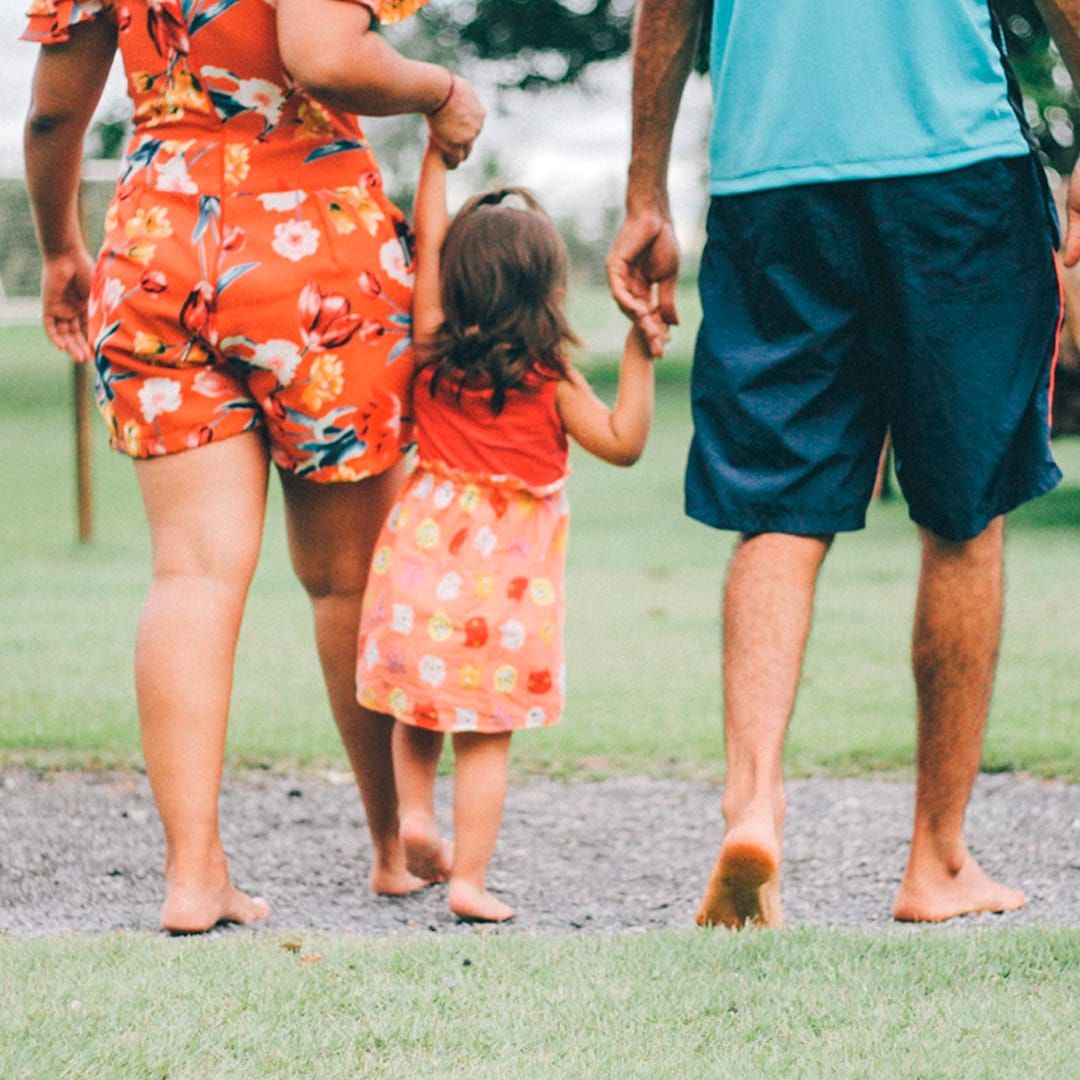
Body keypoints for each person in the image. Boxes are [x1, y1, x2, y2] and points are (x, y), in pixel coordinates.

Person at [608, 0, 1077, 928]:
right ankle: (936, 861)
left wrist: (645, 192)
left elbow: (669, 6)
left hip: (770, 175)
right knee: (963, 514)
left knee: (779, 510)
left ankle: (752, 804)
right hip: (958, 171)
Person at [21, 0, 483, 933]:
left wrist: (60, 244)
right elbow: (323, 55)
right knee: (345, 580)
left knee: (189, 573)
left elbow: (52, 114)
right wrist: (442, 91)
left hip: (159, 244)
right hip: (313, 246)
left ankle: (195, 875)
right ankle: (394, 848)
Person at [356, 144, 655, 922]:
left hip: (420, 566)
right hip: (506, 594)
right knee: (484, 734)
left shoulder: (430, 351)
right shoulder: (551, 379)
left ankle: (413, 817)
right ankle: (468, 882)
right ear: (547, 288)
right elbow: (623, 443)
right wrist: (639, 346)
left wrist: (433, 157)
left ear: (453, 279)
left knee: (417, 708)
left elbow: (426, 233)